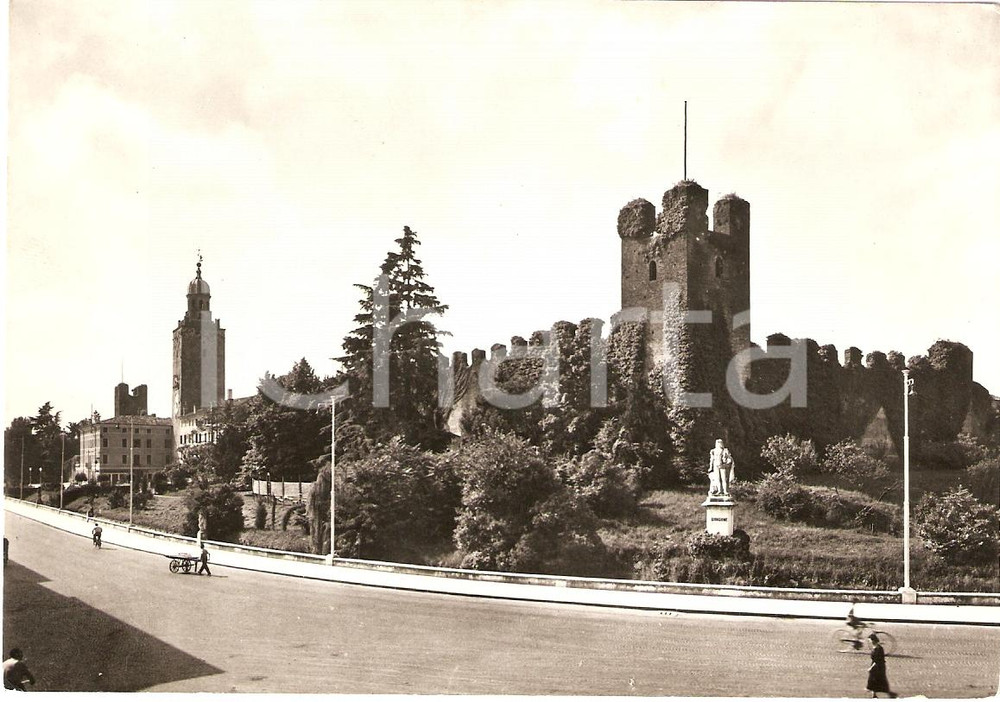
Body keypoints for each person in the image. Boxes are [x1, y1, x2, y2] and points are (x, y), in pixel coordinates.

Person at [866, 633, 897, 698]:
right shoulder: (877, 647)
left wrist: (871, 668)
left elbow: (877, 660)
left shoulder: (878, 649)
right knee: (876, 679)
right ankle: (875, 693)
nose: (869, 642)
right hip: (878, 665)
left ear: (873, 641)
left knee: (875, 679)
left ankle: (875, 694)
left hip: (878, 666)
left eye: (870, 641)